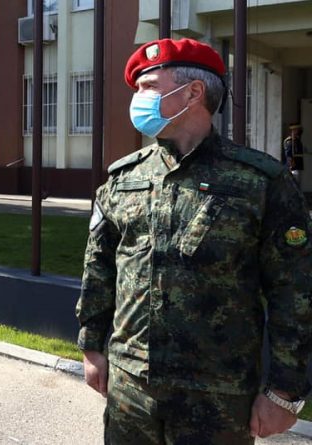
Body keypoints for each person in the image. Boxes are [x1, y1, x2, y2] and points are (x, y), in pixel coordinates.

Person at [76, 38, 312, 444]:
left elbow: (295, 292)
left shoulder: (261, 182)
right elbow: (99, 266)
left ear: (193, 92)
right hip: (131, 389)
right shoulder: (124, 178)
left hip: (218, 396)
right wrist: (91, 346)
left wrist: (285, 393)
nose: (137, 98)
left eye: (149, 86)